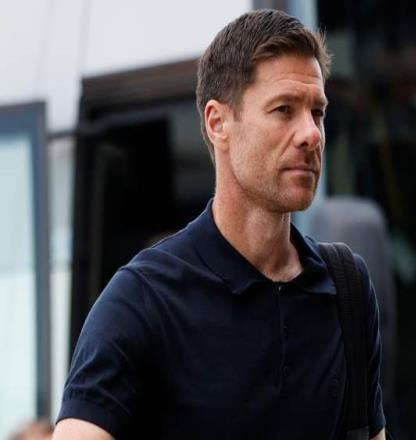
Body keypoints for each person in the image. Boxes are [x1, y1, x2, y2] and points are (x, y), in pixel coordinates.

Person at [53, 9, 386, 439]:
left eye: (317, 112)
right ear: (218, 123)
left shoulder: (346, 290)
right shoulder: (144, 299)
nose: (311, 134)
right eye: (284, 110)